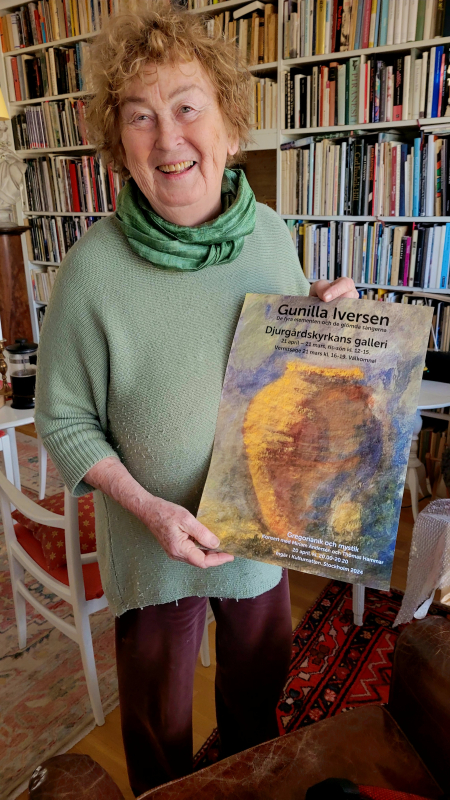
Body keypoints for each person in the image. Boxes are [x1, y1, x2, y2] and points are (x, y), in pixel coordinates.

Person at [35, 4, 359, 796]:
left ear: (228, 123)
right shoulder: (92, 269)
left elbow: (286, 372)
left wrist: (321, 320)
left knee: (257, 706)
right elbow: (64, 419)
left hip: (260, 526)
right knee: (157, 732)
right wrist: (148, 508)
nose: (167, 139)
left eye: (186, 107)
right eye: (140, 116)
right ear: (119, 143)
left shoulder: (272, 235)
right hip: (152, 543)